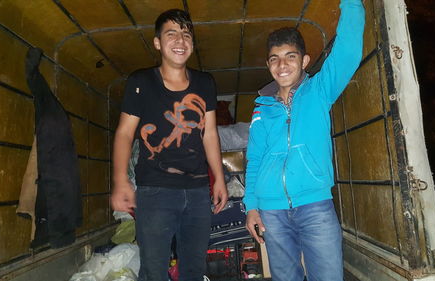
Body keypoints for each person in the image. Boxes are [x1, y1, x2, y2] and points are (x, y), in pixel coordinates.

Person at [243, 0, 365, 280]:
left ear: (304, 61)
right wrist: (251, 206)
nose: (282, 65)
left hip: (315, 207)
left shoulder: (319, 90)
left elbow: (347, 51)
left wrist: (351, 4)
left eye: (290, 56)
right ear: (268, 64)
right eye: (275, 58)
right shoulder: (261, 107)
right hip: (271, 210)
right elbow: (255, 159)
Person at [110, 9, 228, 281]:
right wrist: (120, 181)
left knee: (193, 270)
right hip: (155, 191)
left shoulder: (204, 82)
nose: (180, 40)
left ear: (192, 44)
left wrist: (218, 179)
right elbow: (125, 134)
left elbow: (209, 133)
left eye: (186, 35)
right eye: (171, 34)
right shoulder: (140, 82)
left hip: (198, 191)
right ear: (157, 43)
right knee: (153, 271)